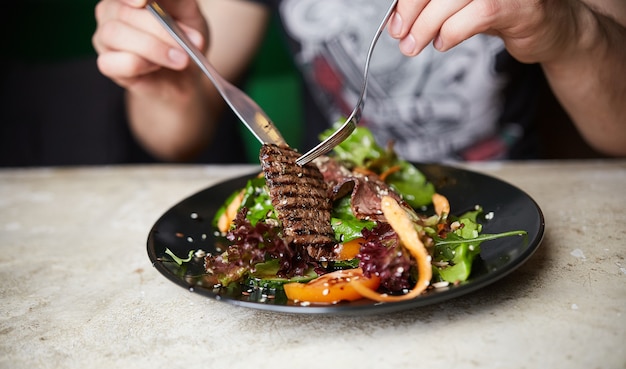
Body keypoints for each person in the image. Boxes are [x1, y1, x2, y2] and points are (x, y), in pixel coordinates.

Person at [92, 0, 626, 163]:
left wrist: (573, 31)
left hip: (522, 205)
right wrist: (170, 83)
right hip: (345, 205)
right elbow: (172, 134)